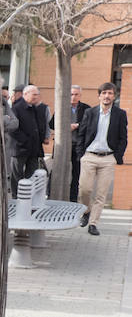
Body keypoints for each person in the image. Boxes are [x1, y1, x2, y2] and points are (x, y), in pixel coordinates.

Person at [78, 82, 128, 236]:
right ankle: (86, 211)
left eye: (110, 93)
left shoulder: (120, 114)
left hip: (108, 158)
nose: (107, 96)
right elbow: (82, 134)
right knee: (84, 190)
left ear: (115, 96)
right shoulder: (90, 112)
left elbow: (123, 138)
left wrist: (116, 156)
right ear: (99, 95)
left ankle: (93, 223)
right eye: (104, 93)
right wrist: (81, 154)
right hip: (90, 156)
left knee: (101, 193)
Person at [50, 85, 90, 202]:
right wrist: (65, 126)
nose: (73, 97)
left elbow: (90, 125)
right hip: (63, 145)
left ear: (80, 95)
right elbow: (52, 124)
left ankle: (73, 198)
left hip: (78, 145)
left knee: (77, 173)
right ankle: (52, 194)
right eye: (71, 94)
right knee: (57, 170)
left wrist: (77, 125)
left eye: (76, 94)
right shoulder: (61, 107)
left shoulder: (86, 109)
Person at [7, 85, 49, 197]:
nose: (36, 97)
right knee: (17, 175)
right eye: (34, 94)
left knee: (32, 174)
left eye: (37, 95)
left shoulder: (35, 108)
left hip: (33, 149)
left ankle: (28, 197)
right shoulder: (16, 108)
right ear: (25, 94)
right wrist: (24, 141)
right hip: (19, 148)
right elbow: (12, 129)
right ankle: (16, 198)